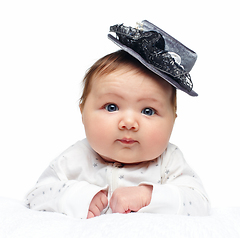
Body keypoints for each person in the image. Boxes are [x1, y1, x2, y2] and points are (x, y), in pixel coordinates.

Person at [25, 21, 210, 219]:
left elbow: (199, 204)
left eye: (148, 111)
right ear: (82, 112)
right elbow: (35, 197)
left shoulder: (169, 161)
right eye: (111, 107)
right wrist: (78, 196)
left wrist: (149, 196)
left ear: (173, 120)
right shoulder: (76, 158)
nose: (129, 122)